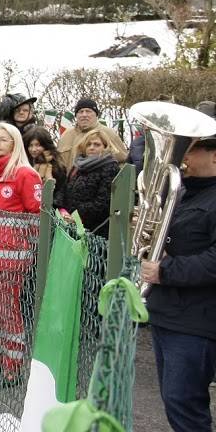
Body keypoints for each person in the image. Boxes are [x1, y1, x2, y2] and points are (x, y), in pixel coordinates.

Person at [142, 132, 216, 432]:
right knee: (176, 403)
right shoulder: (184, 192)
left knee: (184, 405)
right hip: (168, 312)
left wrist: (165, 270)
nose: (183, 155)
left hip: (195, 320)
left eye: (193, 149)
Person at [0, 122, 42, 377]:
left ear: (15, 144)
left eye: (4, 139)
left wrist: (31, 248)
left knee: (9, 309)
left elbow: (36, 213)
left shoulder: (25, 174)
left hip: (12, 255)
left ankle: (12, 364)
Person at [58, 128, 120, 237]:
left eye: (97, 144)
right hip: (70, 225)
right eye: (88, 144)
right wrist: (63, 210)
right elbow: (65, 189)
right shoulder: (77, 166)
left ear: (105, 147)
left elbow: (103, 202)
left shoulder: (110, 167)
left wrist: (77, 215)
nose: (92, 147)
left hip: (95, 230)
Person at [56, 98, 127, 170]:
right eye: (81, 112)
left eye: (88, 111)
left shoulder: (108, 133)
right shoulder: (66, 135)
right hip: (68, 180)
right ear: (76, 115)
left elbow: (124, 162)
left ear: (96, 115)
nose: (84, 115)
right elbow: (58, 164)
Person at [23, 125, 66, 204]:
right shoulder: (24, 163)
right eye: (30, 145)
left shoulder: (56, 166)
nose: (33, 149)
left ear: (46, 145)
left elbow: (61, 191)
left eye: (38, 145)